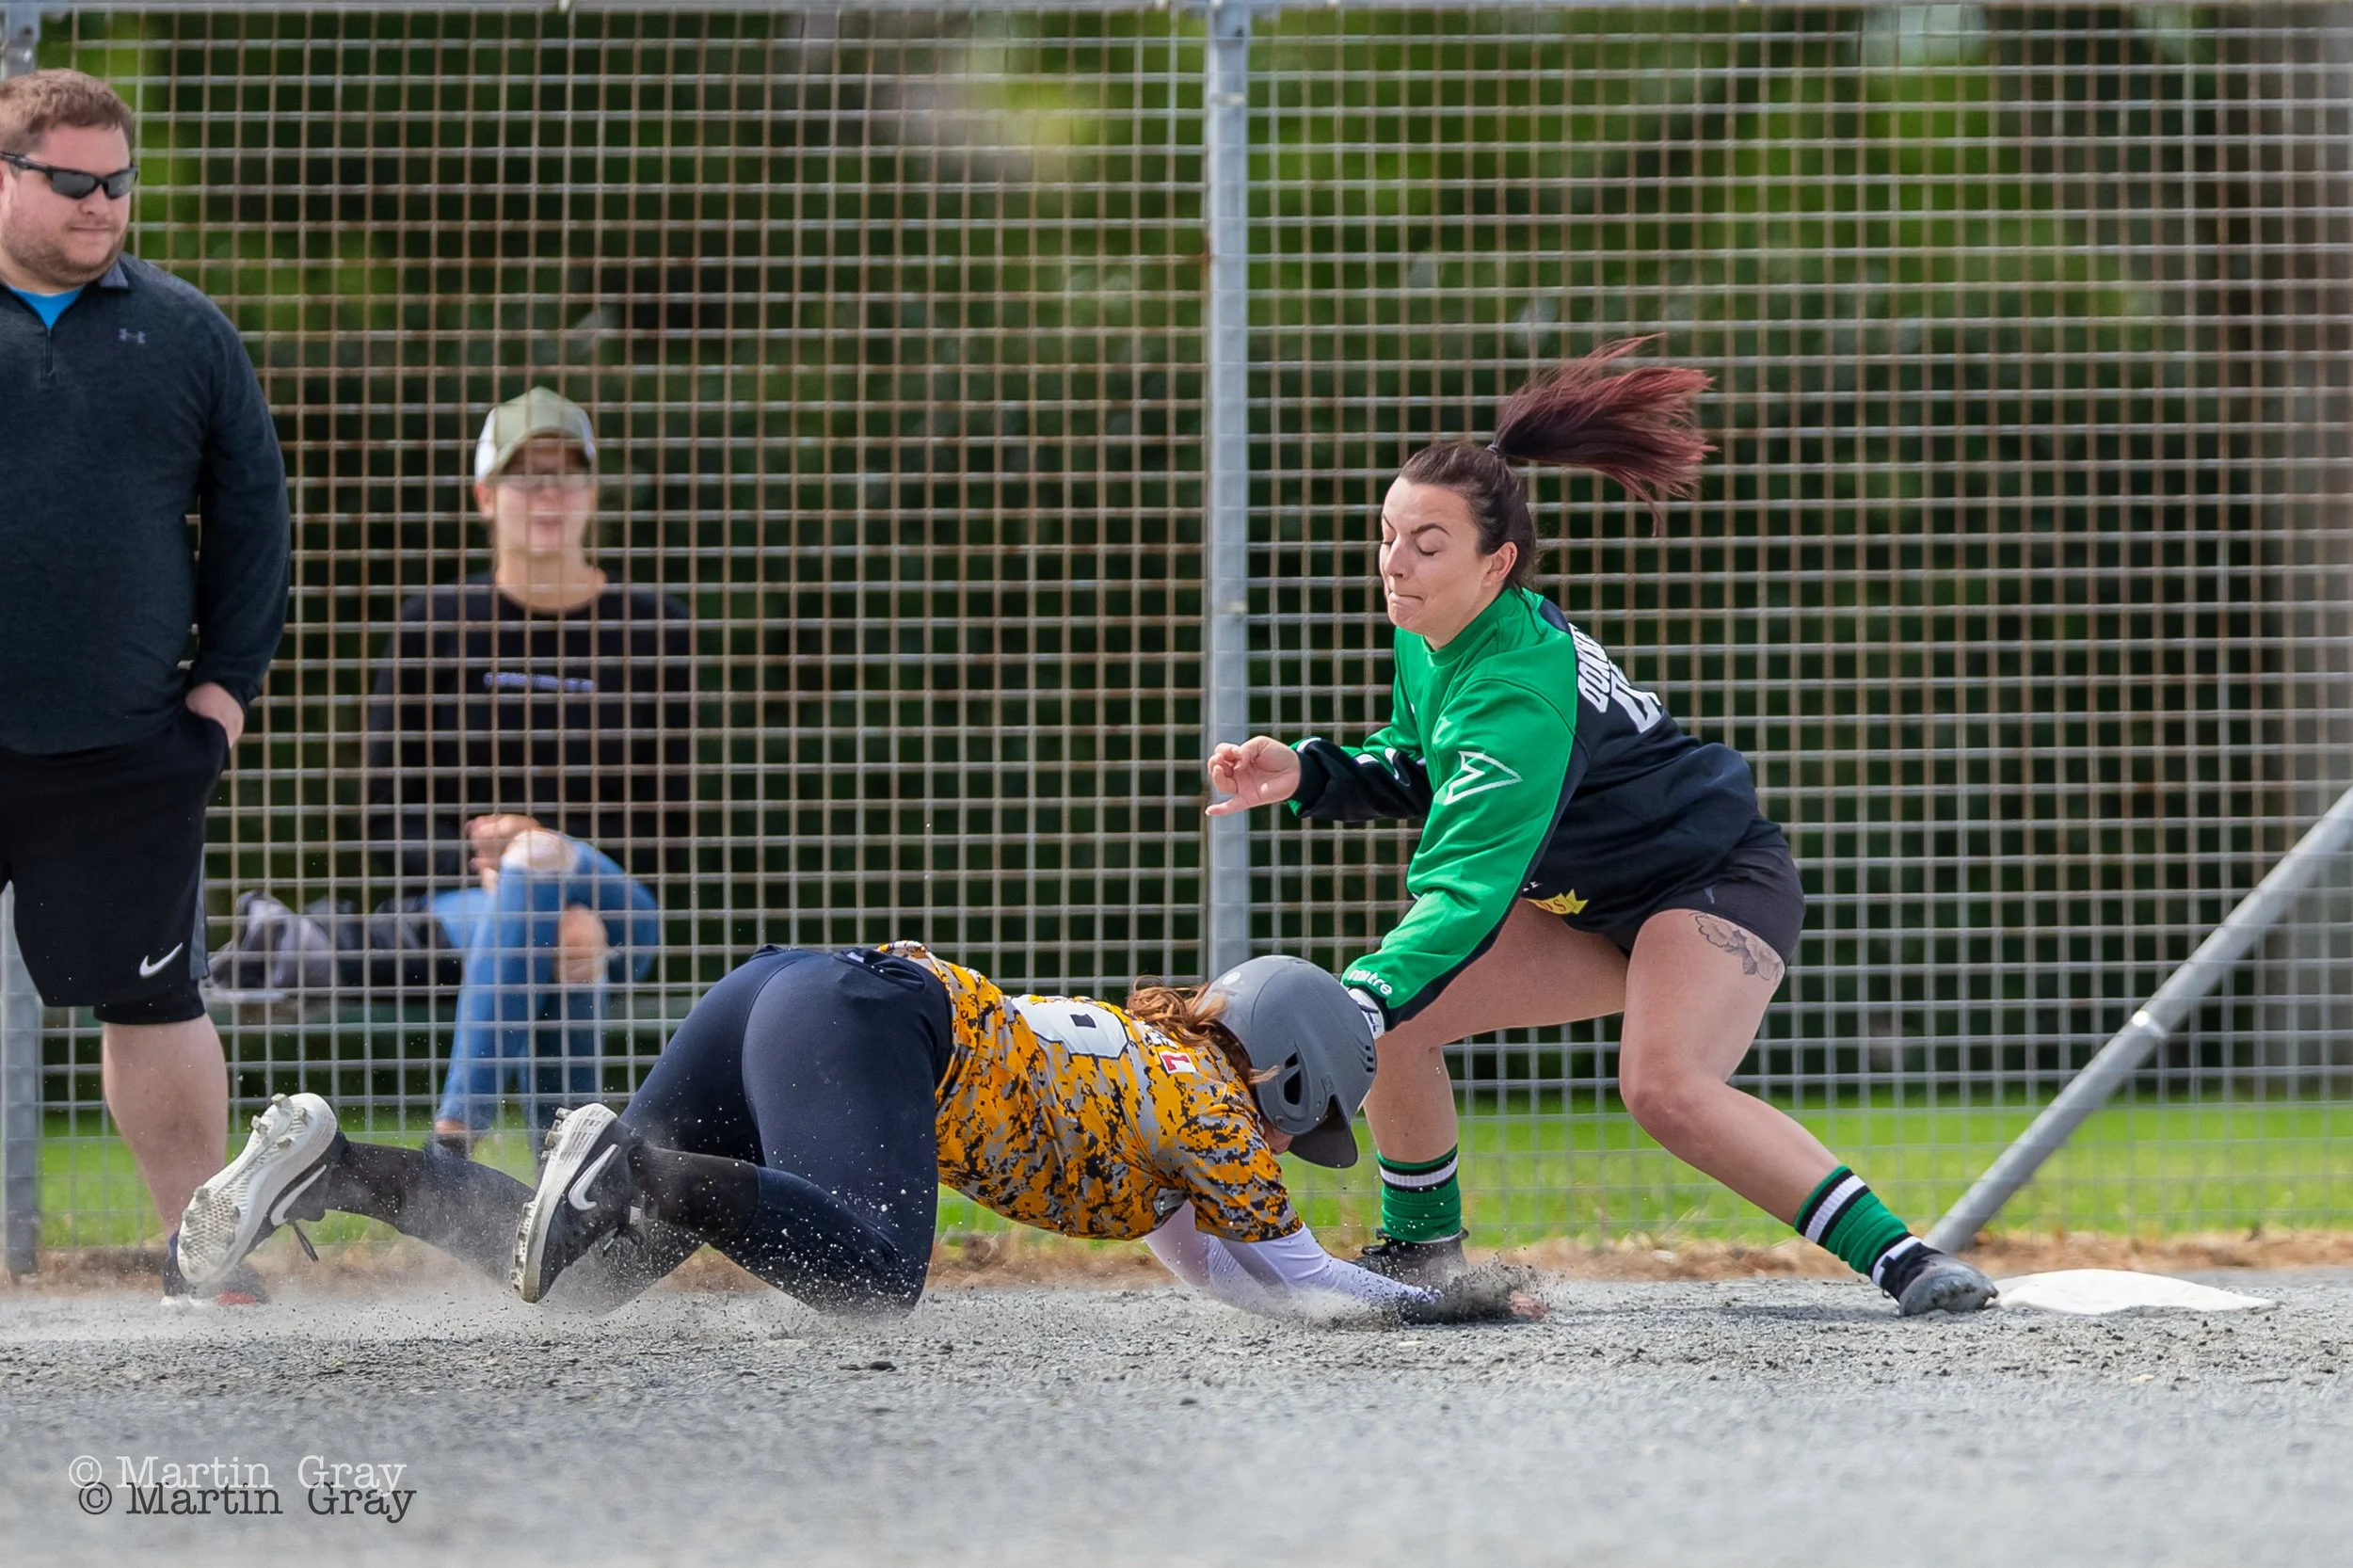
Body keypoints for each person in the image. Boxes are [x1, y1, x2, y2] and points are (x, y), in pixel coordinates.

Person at [1205, 340, 1994, 1316]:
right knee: (1399, 1023)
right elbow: (1422, 764)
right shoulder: (1436, 634)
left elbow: (1466, 885)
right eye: (1388, 533)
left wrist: (1354, 1003)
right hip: (1585, 900)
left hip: (1705, 881)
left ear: (1495, 562)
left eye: (1426, 543)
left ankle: (1908, 1261)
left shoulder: (1516, 690)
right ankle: (1425, 1254)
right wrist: (1314, 771)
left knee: (1661, 1084)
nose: (1393, 563)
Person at [174, 944, 1536, 1324]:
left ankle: (338, 1166)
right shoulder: (1213, 1101)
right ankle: (634, 1162)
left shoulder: (1163, 1075)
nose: (1298, 1145)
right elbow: (1295, 1270)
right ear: (1292, 1077)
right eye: (1314, 1121)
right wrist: (1437, 1302)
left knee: (578, 1277)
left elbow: (1226, 1269)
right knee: (880, 1275)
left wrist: (1330, 1300)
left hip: (791, 994)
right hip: (864, 1018)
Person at [0, 70, 289, 1304]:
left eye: (118, 182)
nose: (101, 204)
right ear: (6, 175)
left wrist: (222, 690)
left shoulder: (180, 329)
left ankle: (203, 1250)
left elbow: (254, 514)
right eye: (72, 182)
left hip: (127, 746)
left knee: (152, 996)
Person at [363, 389, 691, 1158]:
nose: (549, 491)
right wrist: (482, 867)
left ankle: (452, 1142)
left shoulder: (656, 628)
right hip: (467, 903)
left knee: (544, 866)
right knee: (564, 933)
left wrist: (537, 849)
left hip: (619, 898)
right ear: (485, 495)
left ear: (592, 495)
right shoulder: (433, 624)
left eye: (568, 472)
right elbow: (383, 816)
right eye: (525, 473)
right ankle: (568, 1175)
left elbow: (667, 823)